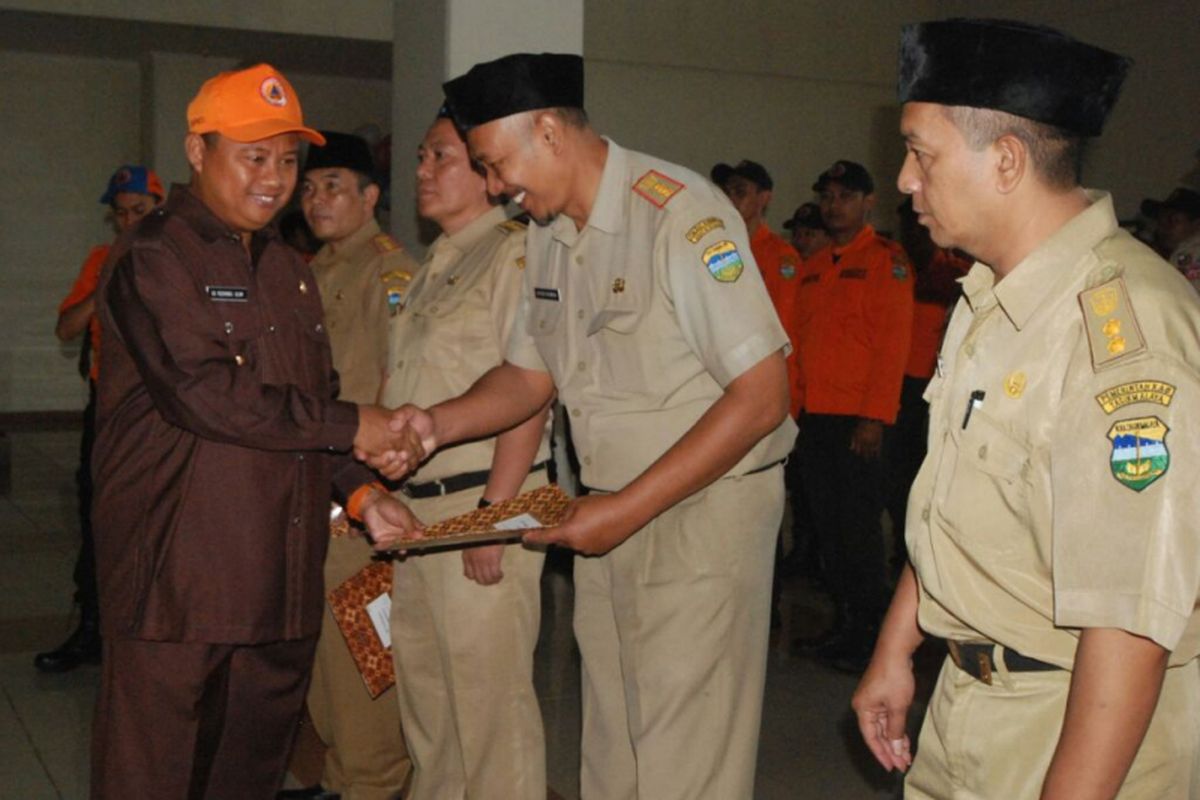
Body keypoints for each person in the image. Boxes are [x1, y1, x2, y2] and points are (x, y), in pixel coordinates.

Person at [364, 52, 797, 799]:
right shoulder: (548, 235)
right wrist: (433, 421)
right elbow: (529, 378)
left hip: (698, 517)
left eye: (496, 166)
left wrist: (623, 510)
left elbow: (762, 397)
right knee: (613, 753)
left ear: (549, 132)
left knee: (681, 758)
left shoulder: (679, 214)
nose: (496, 188)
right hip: (603, 513)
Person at [854, 19, 1200, 798]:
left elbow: (1130, 622)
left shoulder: (1123, 336)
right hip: (971, 701)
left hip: (1075, 726)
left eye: (922, 153)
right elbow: (959, 501)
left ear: (1005, 161)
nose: (905, 179)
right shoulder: (987, 297)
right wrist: (896, 645)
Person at [89, 63, 419, 798]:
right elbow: (205, 395)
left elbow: (310, 409)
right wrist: (356, 423)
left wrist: (363, 497)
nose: (275, 178)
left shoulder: (288, 269)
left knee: (246, 777)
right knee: (153, 778)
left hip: (279, 584)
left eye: (288, 160)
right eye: (255, 156)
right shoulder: (155, 255)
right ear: (199, 152)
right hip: (179, 585)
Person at [367, 108, 551, 800]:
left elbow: (531, 386)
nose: (420, 170)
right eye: (420, 156)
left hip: (479, 506)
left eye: (440, 156)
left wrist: (495, 518)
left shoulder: (515, 253)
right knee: (431, 713)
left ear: (486, 173)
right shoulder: (433, 267)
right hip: (422, 518)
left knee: (490, 717)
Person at [298, 131, 416, 799]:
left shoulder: (388, 271)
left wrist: (371, 489)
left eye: (334, 185)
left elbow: (399, 388)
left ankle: (369, 785)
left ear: (370, 196)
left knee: (365, 676)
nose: (318, 199)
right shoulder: (314, 269)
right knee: (326, 677)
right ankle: (343, 782)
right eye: (310, 187)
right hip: (319, 497)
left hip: (362, 507)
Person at [37, 165, 163, 674]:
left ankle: (153, 635)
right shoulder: (100, 260)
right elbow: (66, 328)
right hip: (107, 408)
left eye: (141, 210)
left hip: (161, 410)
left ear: (159, 208)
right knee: (97, 517)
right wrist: (108, 281)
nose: (130, 220)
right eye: (121, 214)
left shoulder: (176, 258)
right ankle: (91, 627)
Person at [791, 159, 914, 672]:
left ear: (868, 203)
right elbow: (797, 347)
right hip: (815, 419)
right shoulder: (815, 267)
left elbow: (893, 346)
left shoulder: (888, 261)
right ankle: (846, 624)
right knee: (829, 530)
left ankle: (873, 637)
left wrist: (874, 417)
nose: (833, 204)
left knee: (860, 534)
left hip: (858, 423)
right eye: (828, 196)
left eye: (845, 196)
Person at [884, 198, 969, 571]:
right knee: (892, 479)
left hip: (930, 389)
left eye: (919, 228)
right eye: (908, 227)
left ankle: (917, 558)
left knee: (921, 478)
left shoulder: (955, 273)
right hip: (895, 386)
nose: (913, 235)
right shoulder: (891, 266)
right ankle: (901, 554)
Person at [716, 159, 804, 417]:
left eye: (740, 191)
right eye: (727, 191)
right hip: (725, 379)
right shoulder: (721, 251)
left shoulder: (780, 256)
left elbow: (781, 328)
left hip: (766, 383)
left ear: (764, 198)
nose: (730, 198)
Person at [1142, 187, 1200, 291]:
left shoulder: (1193, 253)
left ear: (1196, 225)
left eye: (1173, 220)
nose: (1164, 227)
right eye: (1161, 220)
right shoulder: (1167, 256)